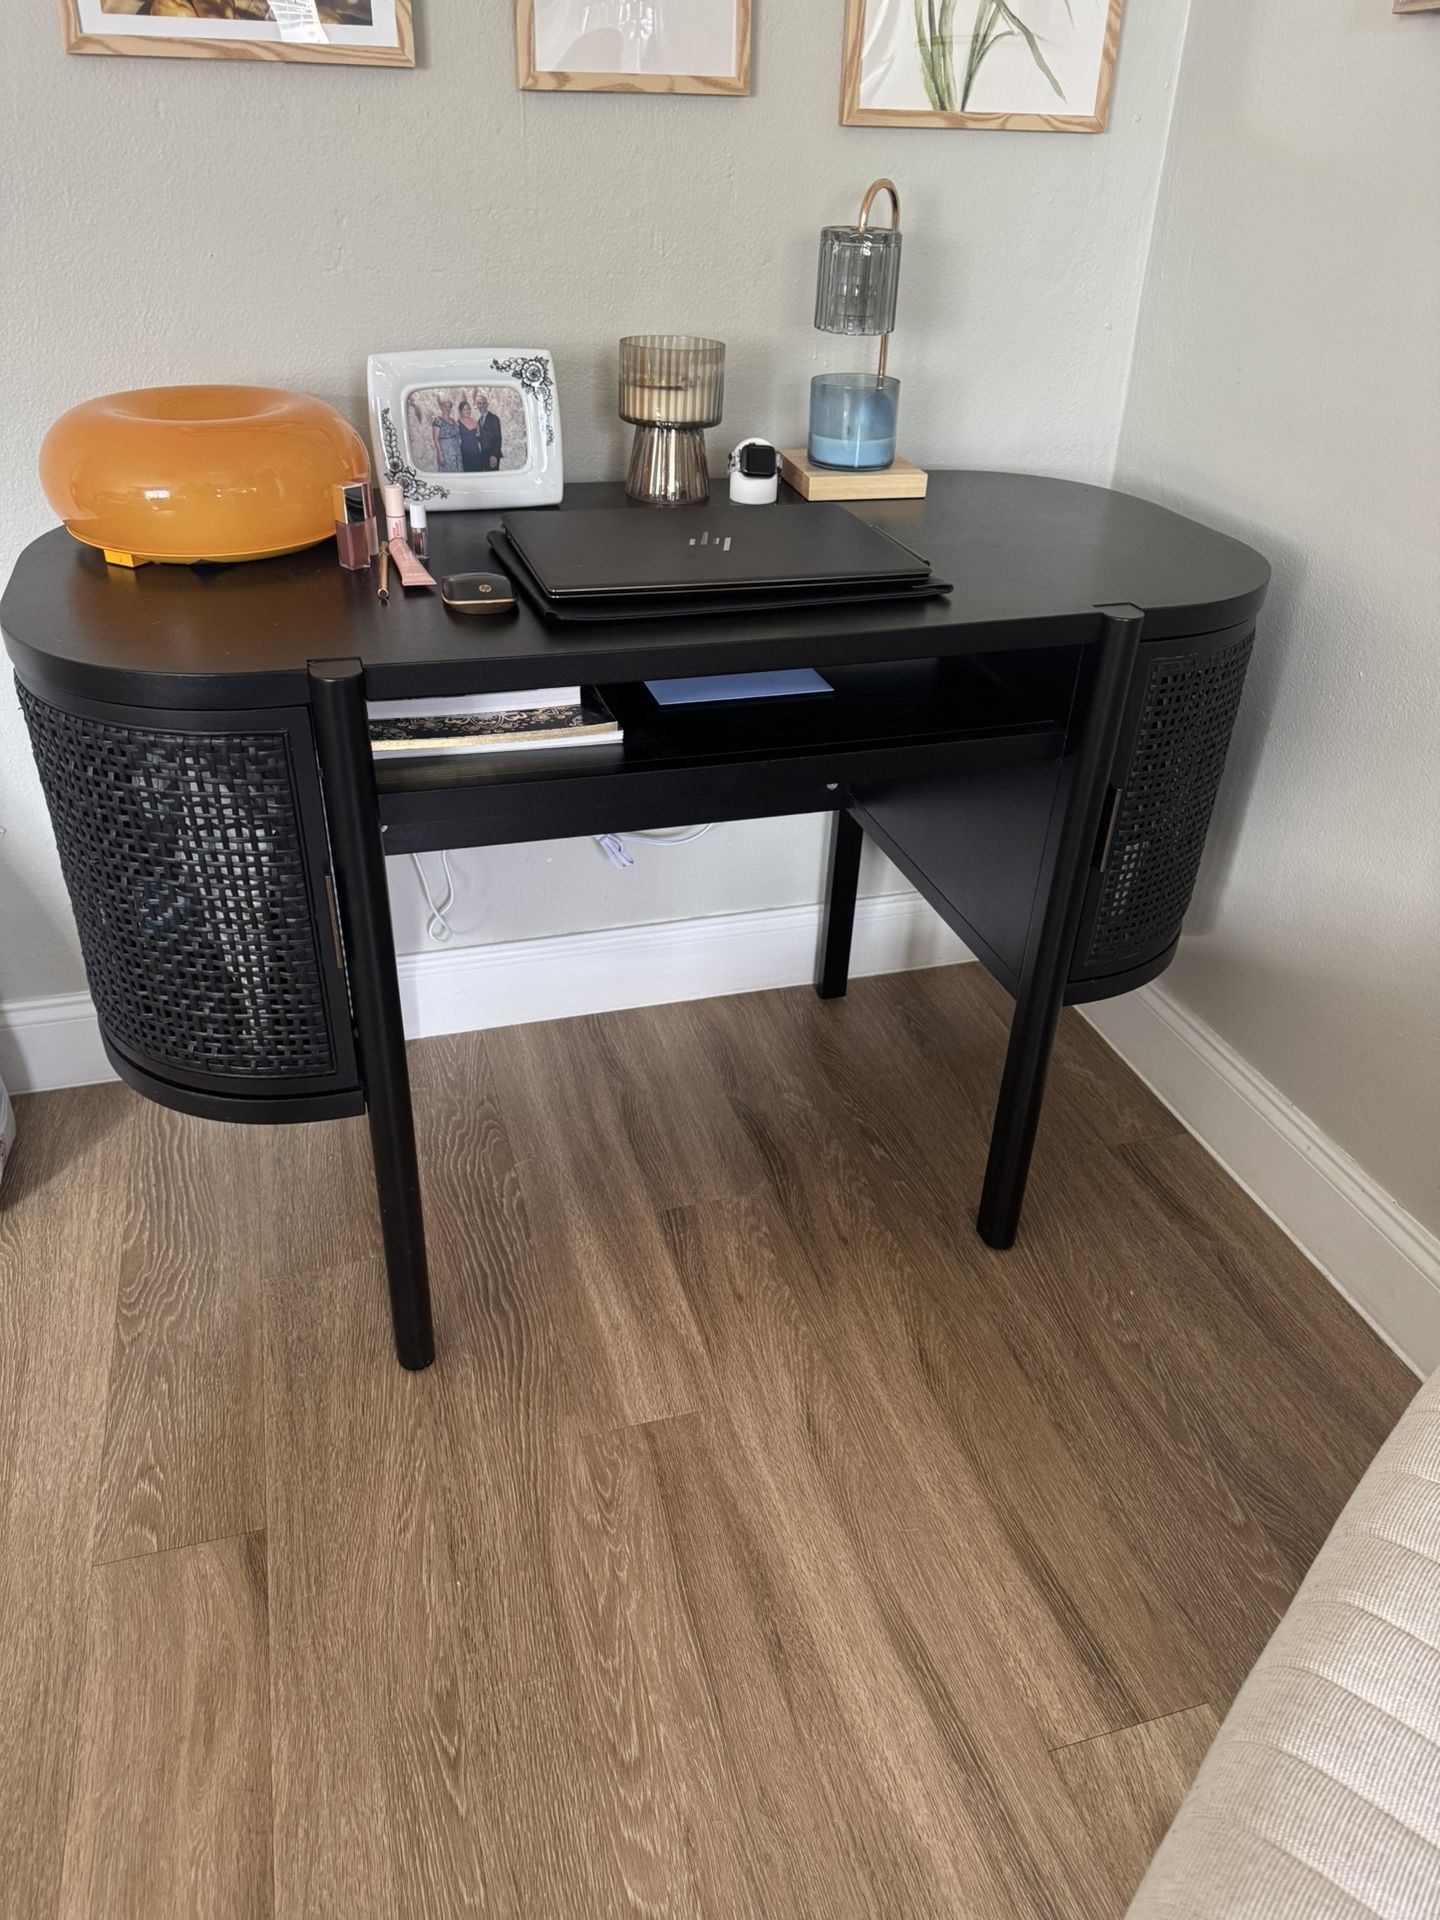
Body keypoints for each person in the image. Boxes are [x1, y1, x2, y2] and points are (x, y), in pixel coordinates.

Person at [432, 397, 462, 473]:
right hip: (445, 453)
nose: (447, 408)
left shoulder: (453, 420)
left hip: (457, 452)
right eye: (445, 406)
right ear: (441, 407)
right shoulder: (438, 420)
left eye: (449, 407)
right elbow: (435, 438)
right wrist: (440, 454)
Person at [476, 391, 503, 472]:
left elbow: (498, 438)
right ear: (477, 405)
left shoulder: (494, 418)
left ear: (487, 404)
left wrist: (494, 455)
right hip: (484, 455)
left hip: (492, 455)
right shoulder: (478, 420)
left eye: (484, 403)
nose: (482, 406)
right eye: (479, 403)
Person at [456, 400, 483, 472]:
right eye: (464, 409)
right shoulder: (458, 423)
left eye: (468, 408)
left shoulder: (475, 421)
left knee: (478, 471)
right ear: (460, 411)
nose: (466, 411)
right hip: (465, 451)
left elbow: (479, 436)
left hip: (475, 450)